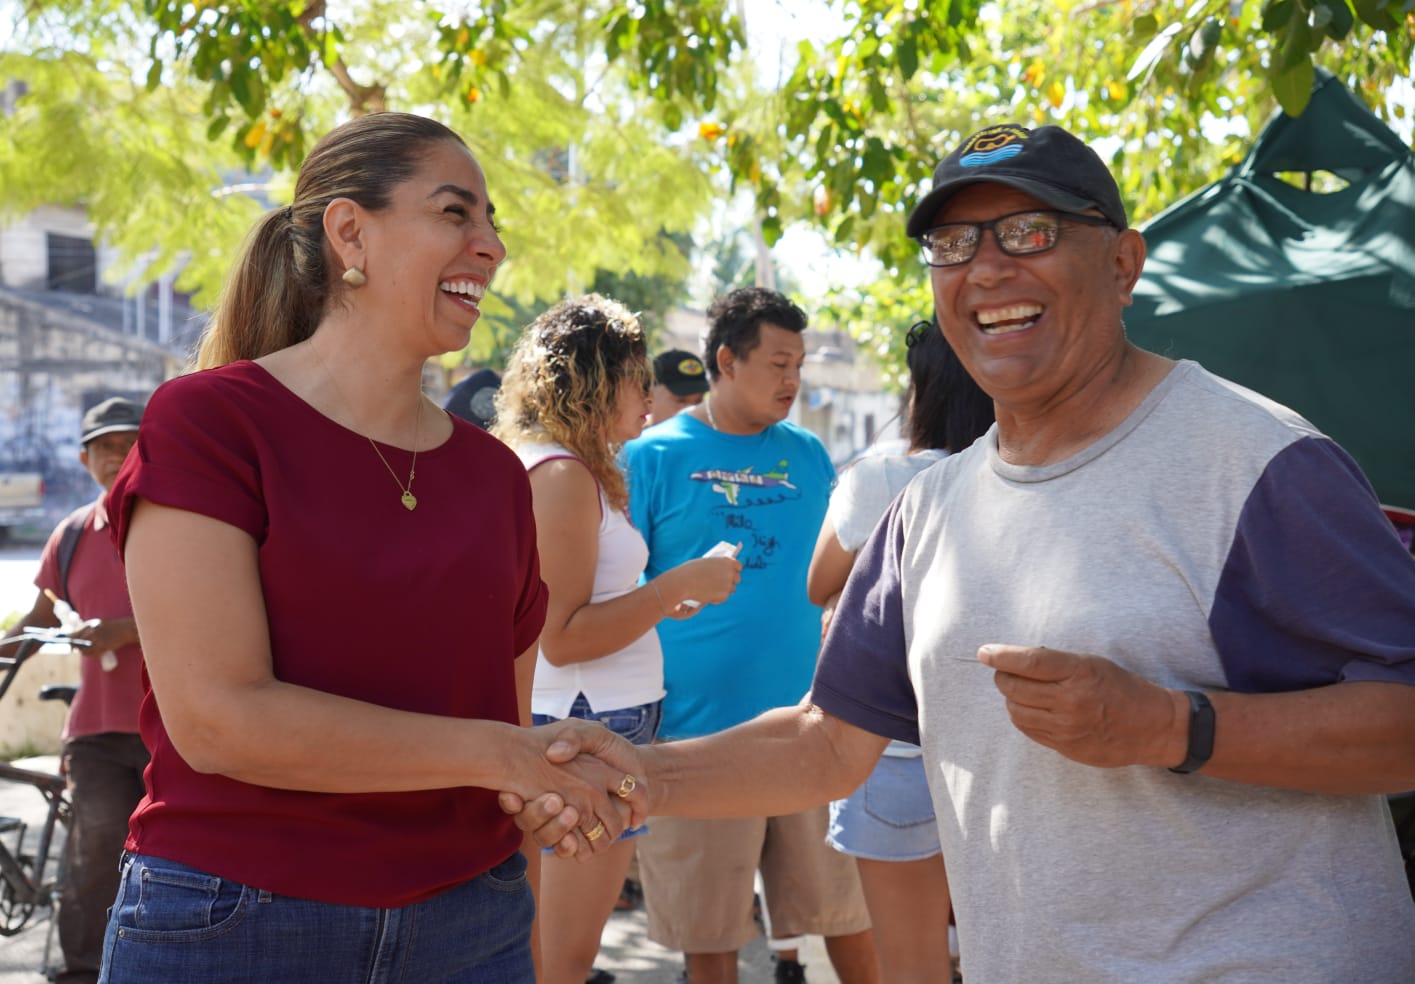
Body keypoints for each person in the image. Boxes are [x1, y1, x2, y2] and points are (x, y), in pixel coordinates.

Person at [511, 123, 1415, 982]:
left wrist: (1167, 725)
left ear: (1123, 262)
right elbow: (829, 744)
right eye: (952, 242)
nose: (985, 267)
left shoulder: (1256, 461)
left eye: (1027, 231)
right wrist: (644, 772)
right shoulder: (928, 509)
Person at [99, 112, 633, 983]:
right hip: (237, 923)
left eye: (493, 224)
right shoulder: (210, 423)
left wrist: (547, 790)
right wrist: (504, 754)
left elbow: (505, 728)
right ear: (350, 231)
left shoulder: (498, 479)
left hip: (473, 922)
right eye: (457, 214)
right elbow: (219, 721)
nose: (490, 247)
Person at [619, 287, 879, 984]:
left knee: (849, 921)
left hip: (810, 732)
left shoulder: (807, 453)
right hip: (695, 737)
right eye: (778, 362)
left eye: (799, 363)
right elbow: (620, 590)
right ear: (727, 361)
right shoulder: (649, 458)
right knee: (711, 939)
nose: (793, 380)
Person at [491, 294, 741, 984]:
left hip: (590, 722)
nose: (650, 398)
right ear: (598, 381)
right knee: (561, 959)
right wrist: (671, 587)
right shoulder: (562, 475)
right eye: (637, 379)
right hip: (583, 725)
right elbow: (561, 638)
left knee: (551, 950)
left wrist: (657, 602)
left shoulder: (561, 465)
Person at [806, 320, 993, 984]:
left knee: (911, 966)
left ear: (924, 390)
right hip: (1003, 751)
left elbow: (818, 583)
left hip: (890, 747)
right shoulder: (1029, 474)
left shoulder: (883, 475)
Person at [1, 397, 149, 984]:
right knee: (92, 849)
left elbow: (218, 614)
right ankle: (84, 972)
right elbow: (34, 624)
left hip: (180, 725)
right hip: (97, 731)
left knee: (184, 857)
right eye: (106, 447)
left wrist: (125, 630)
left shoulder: (179, 523)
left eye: (130, 444)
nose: (118, 457)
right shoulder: (68, 537)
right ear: (85, 458)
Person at [647, 348, 710, 427]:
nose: (691, 409)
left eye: (699, 402)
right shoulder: (631, 437)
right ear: (649, 398)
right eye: (681, 400)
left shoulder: (714, 437)